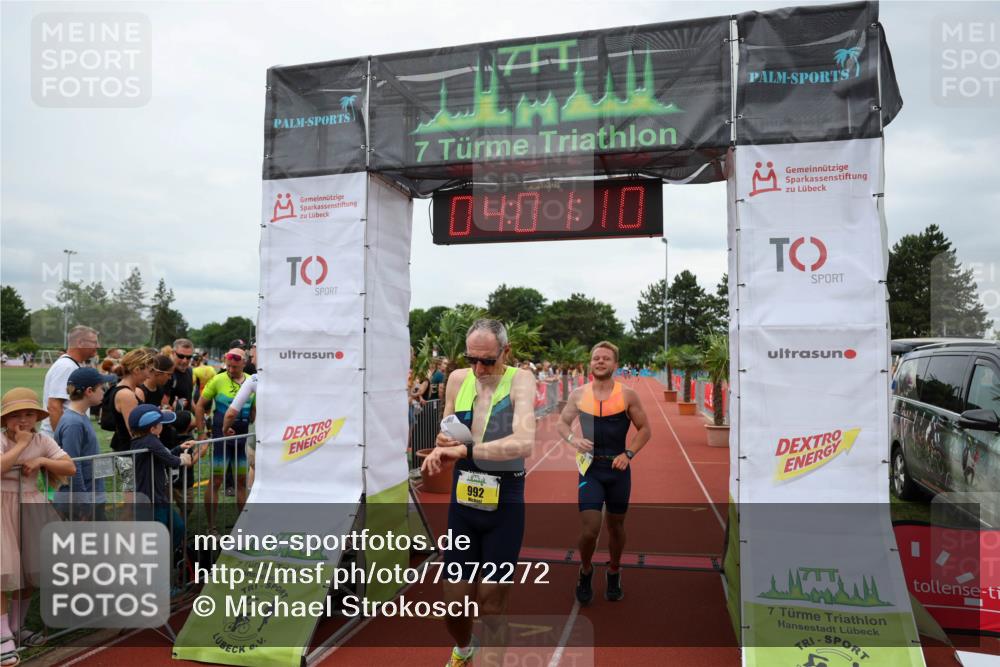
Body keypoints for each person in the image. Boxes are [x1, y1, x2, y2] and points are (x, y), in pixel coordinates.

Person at [421, 319, 535, 667]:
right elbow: (447, 426)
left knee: (491, 602)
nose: (479, 368)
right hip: (465, 504)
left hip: (505, 501)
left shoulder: (521, 380)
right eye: (472, 359)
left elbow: (524, 442)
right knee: (454, 605)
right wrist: (443, 443)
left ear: (506, 351)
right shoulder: (458, 379)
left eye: (488, 360)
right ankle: (464, 646)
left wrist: (464, 451)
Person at [557, 341, 651, 605]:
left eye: (606, 358)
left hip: (618, 469)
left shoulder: (628, 395)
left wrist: (628, 454)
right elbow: (562, 423)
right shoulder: (578, 394)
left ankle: (614, 570)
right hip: (591, 469)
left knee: (616, 526)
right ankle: (586, 569)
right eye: (596, 357)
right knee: (590, 529)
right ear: (590, 363)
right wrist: (574, 439)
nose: (600, 361)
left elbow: (645, 430)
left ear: (615, 364)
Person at [1, 388, 76, 658]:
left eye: (29, 414)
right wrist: (21, 445)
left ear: (37, 416)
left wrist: (43, 459)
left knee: (30, 570)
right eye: (16, 415)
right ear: (5, 418)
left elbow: (69, 467)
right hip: (2, 508)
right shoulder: (2, 440)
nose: (23, 420)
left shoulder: (43, 440)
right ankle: (2, 635)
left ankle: (17, 626)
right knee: (3, 571)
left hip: (32, 507)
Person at [129, 405, 196, 566]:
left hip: (159, 497)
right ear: (153, 428)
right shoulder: (150, 440)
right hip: (152, 500)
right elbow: (171, 460)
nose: (163, 427)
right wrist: (183, 459)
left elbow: (162, 454)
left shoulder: (144, 440)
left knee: (178, 527)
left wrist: (179, 448)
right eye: (161, 424)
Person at [195, 348, 254, 531]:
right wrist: (202, 433)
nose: (230, 369)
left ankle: (243, 526)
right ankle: (211, 527)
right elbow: (199, 406)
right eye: (228, 366)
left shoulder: (251, 382)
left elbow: (254, 411)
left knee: (242, 482)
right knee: (216, 481)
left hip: (241, 439)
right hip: (221, 439)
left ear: (243, 364)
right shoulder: (218, 379)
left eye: (234, 367)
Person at [55, 367, 116, 521]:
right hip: (82, 503)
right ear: (89, 391)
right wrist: (83, 504)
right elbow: (73, 467)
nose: (104, 391)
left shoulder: (80, 417)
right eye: (101, 388)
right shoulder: (73, 423)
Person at [107, 348, 156, 490]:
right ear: (136, 370)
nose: (148, 375)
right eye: (148, 370)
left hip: (130, 451)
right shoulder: (126, 395)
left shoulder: (134, 391)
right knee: (133, 499)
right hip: (129, 453)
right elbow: (135, 431)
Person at [40, 325, 99, 437]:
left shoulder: (72, 365)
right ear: (80, 343)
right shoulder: (66, 367)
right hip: (59, 441)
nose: (98, 346)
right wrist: (62, 442)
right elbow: (54, 407)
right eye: (94, 342)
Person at [164, 338, 196, 412]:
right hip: (172, 421)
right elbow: (164, 407)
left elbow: (189, 399)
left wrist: (200, 417)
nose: (185, 361)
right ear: (172, 353)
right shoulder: (166, 373)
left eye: (189, 357)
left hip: (185, 420)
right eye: (181, 356)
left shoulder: (189, 370)